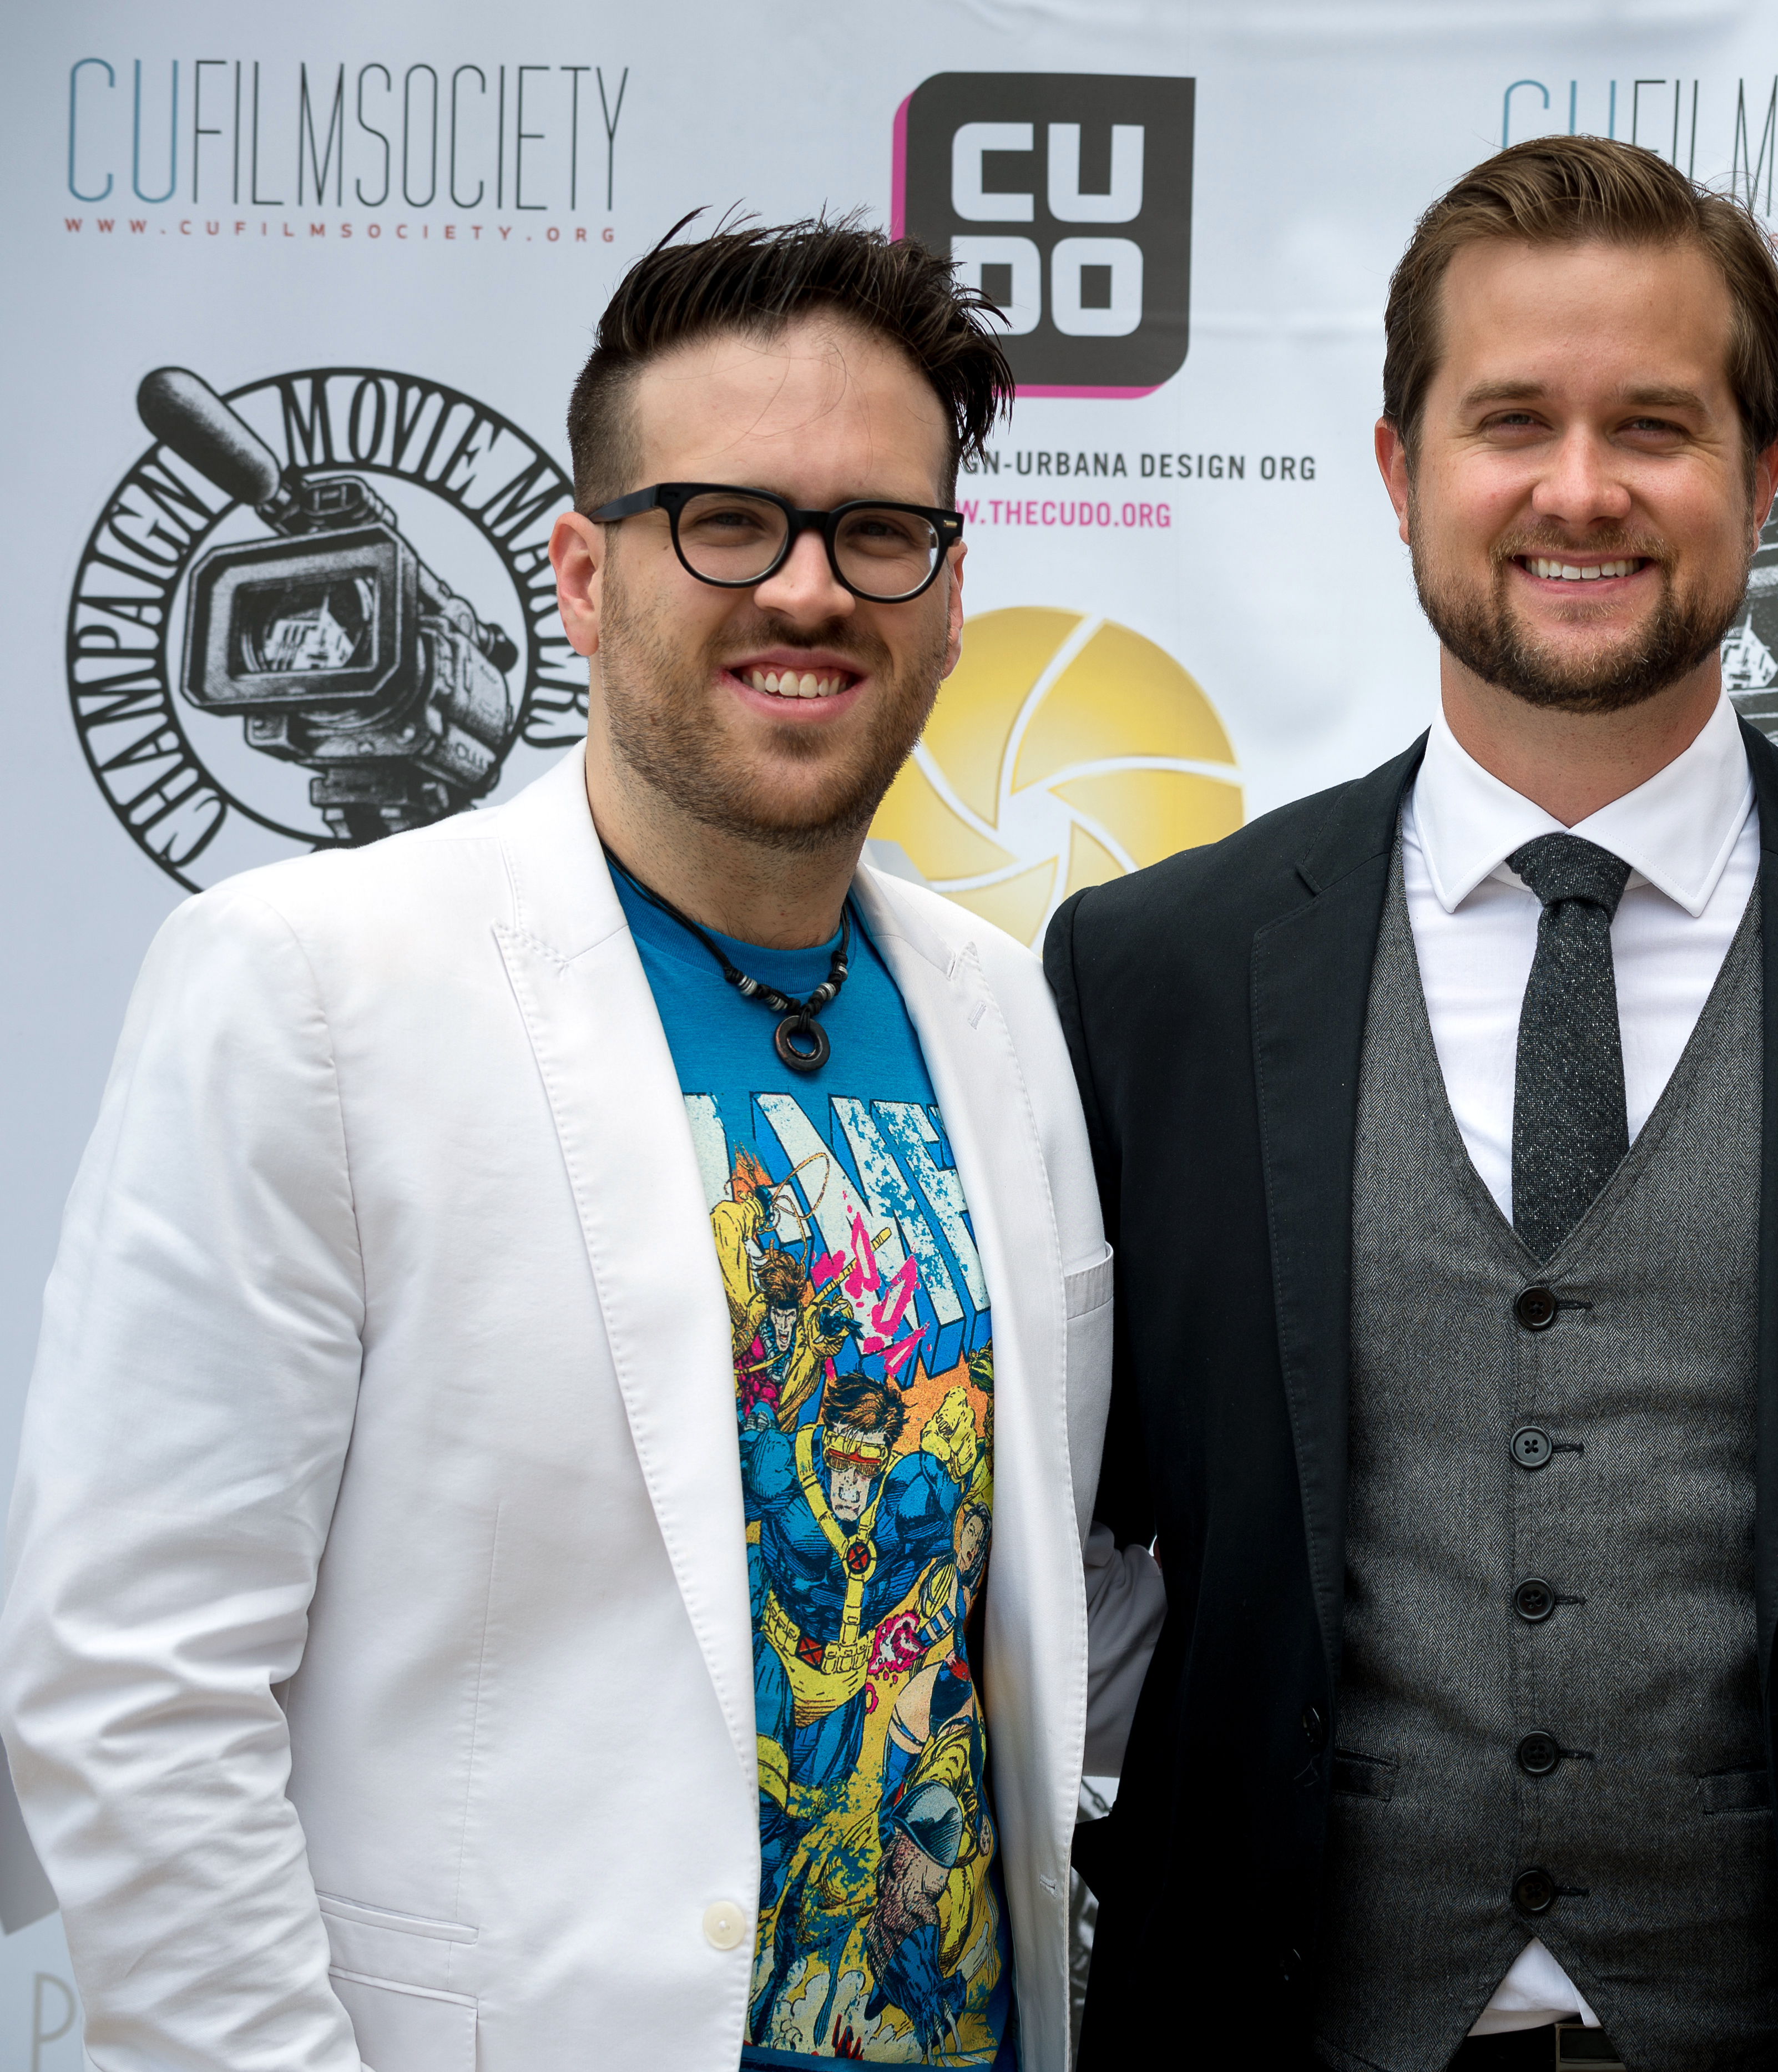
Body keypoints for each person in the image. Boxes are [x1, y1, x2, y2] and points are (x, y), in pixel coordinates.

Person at [0, 217, 1157, 2071]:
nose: (804, 588)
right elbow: (137, 1692)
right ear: (579, 573)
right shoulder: (309, 987)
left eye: (877, 529)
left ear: (948, 597)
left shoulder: (1000, 1011)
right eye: (723, 518)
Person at [1045, 135, 1778, 2067]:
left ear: (1760, 469)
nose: (1580, 490)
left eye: (1653, 422)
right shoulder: (1150, 974)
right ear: (1399, 475)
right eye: (1509, 424)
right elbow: (1089, 1539)